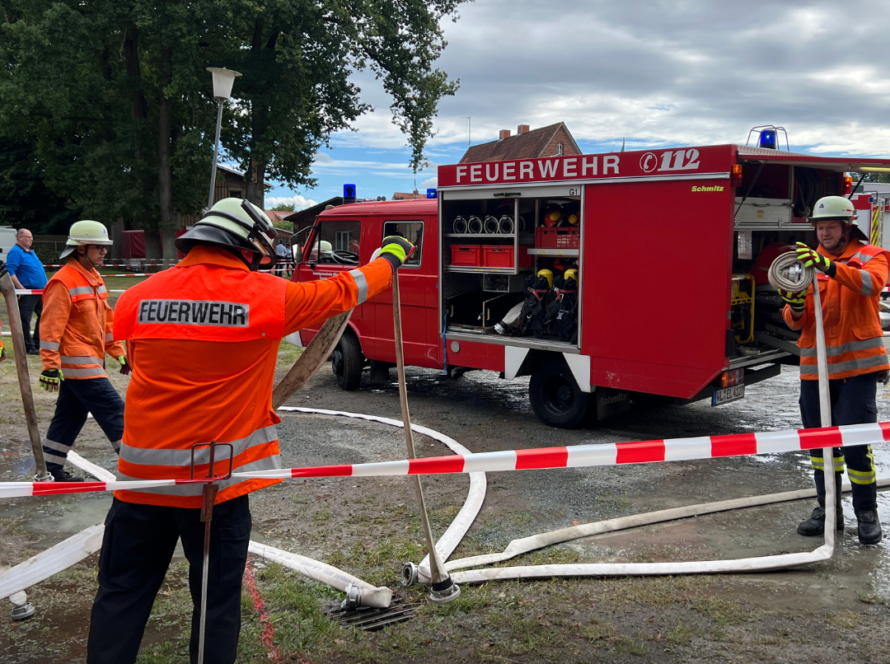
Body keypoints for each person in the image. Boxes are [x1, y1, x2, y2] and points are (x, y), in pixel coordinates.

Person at [87, 198, 414, 664]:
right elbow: (347, 289)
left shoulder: (138, 297)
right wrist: (392, 254)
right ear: (246, 246)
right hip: (213, 490)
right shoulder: (266, 297)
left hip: (139, 482)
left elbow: (137, 363)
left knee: (120, 596)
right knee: (214, 606)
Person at [780, 195, 890, 545]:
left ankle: (866, 512)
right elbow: (797, 320)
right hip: (816, 370)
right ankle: (828, 510)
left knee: (855, 444)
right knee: (820, 446)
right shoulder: (809, 262)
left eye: (830, 227)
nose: (824, 234)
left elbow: (872, 285)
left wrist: (829, 268)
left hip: (858, 370)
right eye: (819, 228)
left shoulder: (872, 255)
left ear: (847, 227)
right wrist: (794, 306)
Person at [38, 221, 129, 482]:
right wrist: (50, 365)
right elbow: (50, 328)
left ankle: (50, 469)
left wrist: (117, 350)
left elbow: (106, 321)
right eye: (98, 247)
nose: (104, 252)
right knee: (115, 411)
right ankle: (137, 466)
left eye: (105, 247)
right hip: (78, 364)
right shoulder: (62, 281)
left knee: (69, 416)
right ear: (80, 249)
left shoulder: (95, 278)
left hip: (91, 361)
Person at [6, 228, 48, 355]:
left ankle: (37, 342)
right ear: (20, 238)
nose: (31, 240)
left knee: (44, 316)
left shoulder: (30, 252)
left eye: (31, 237)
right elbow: (10, 271)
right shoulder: (16, 252)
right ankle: (27, 346)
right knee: (25, 318)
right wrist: (20, 287)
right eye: (28, 237)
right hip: (28, 292)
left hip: (40, 292)